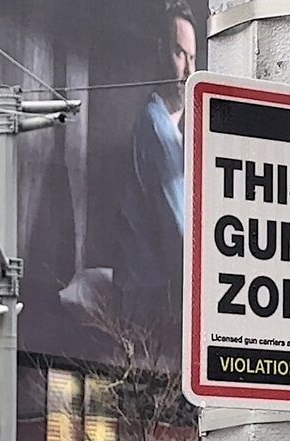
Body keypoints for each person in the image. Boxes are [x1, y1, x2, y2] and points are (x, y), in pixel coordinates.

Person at [114, 0, 198, 346]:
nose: (189, 72)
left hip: (156, 297)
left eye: (193, 58)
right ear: (159, 54)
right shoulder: (155, 127)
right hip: (152, 305)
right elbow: (181, 238)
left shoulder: (172, 127)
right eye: (180, 55)